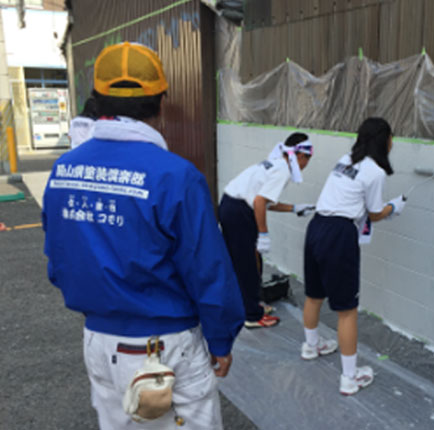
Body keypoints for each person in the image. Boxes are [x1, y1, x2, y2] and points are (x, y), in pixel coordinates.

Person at [43, 41, 245, 429]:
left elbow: (59, 261)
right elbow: (208, 271)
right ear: (160, 102)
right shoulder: (175, 175)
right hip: (166, 346)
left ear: (97, 99)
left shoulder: (64, 170)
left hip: (99, 341)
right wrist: (221, 339)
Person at [301, 117, 406, 395]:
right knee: (347, 311)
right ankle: (350, 378)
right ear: (384, 140)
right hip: (339, 234)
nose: (393, 142)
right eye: (391, 136)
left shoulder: (346, 158)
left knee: (314, 294)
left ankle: (311, 347)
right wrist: (394, 207)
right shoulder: (375, 172)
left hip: (317, 226)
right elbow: (373, 213)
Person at [219, 133, 315, 329]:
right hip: (239, 211)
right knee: (248, 263)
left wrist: (294, 208)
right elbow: (259, 202)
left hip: (231, 205)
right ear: (300, 156)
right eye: (308, 158)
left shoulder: (276, 163)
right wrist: (263, 234)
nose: (307, 164)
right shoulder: (283, 170)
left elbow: (264, 200)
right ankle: (252, 315)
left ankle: (248, 304)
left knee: (245, 261)